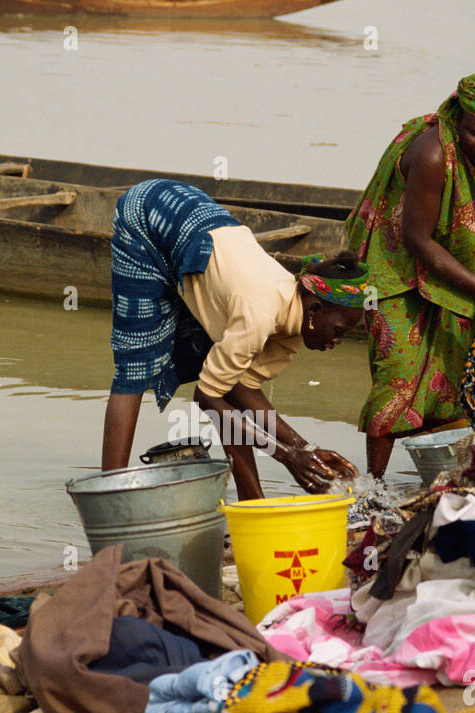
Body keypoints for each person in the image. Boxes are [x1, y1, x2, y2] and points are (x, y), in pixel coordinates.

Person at [100, 179, 368, 500]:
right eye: (338, 331)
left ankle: (252, 503)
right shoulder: (259, 314)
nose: (337, 341)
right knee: (136, 367)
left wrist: (306, 449)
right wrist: (286, 455)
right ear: (315, 309)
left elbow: (239, 390)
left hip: (202, 227)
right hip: (149, 215)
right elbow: (207, 397)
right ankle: (108, 496)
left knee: (221, 373)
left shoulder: (291, 326)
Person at [346, 71, 475, 478]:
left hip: (456, 263)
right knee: (399, 379)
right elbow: (419, 239)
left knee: (450, 380)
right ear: (458, 121)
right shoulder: (433, 155)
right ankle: (375, 486)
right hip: (396, 266)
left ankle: (441, 479)